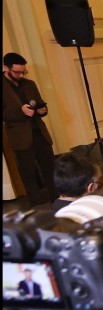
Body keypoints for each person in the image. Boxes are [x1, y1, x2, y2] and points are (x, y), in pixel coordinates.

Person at [2, 52, 56, 205]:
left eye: (23, 72)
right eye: (17, 72)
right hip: (20, 137)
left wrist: (43, 110)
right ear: (6, 68)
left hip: (39, 132)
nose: (21, 75)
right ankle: (36, 204)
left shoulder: (30, 84)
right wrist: (21, 112)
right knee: (28, 173)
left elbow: (40, 103)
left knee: (50, 168)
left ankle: (56, 199)